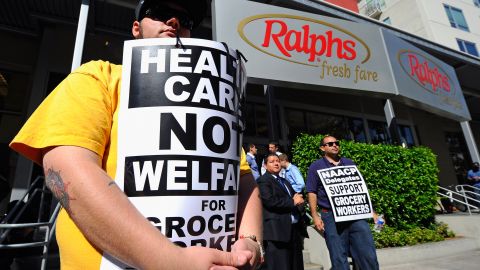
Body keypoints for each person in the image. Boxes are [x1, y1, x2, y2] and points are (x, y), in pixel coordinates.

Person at [9, 0, 263, 269]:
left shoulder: (212, 105)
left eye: (185, 21)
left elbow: (242, 177)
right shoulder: (99, 77)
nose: (174, 22)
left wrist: (251, 242)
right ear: (136, 28)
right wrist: (171, 262)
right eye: (161, 14)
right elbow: (66, 166)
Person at [306, 135, 379, 270]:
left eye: (336, 143)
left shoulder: (349, 163)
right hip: (331, 216)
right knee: (338, 256)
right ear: (323, 148)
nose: (335, 145)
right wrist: (315, 215)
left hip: (356, 215)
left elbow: (359, 189)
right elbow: (312, 192)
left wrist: (372, 212)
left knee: (368, 254)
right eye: (330, 144)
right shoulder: (316, 166)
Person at [257, 153, 307, 270]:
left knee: (296, 265)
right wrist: (292, 202)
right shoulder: (263, 181)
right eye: (272, 161)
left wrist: (299, 203)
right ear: (265, 165)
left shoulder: (285, 181)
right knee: (281, 265)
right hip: (277, 232)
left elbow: (295, 197)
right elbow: (270, 201)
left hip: (294, 230)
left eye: (278, 161)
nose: (276, 163)